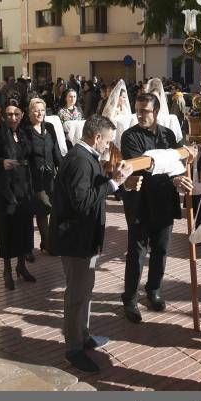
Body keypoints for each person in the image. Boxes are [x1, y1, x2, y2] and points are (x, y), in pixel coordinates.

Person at [48, 115, 133, 373]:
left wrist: (114, 180)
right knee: (76, 294)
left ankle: (83, 336)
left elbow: (92, 190)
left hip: (86, 238)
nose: (108, 146)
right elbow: (82, 202)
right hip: (76, 240)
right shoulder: (79, 161)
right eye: (107, 141)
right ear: (96, 137)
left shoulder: (87, 158)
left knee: (84, 291)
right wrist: (114, 182)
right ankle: (73, 348)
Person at [119, 93, 191, 323]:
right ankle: (130, 297)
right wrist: (172, 175)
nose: (140, 115)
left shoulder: (168, 135)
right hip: (140, 202)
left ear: (156, 112)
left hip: (164, 202)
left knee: (161, 249)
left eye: (145, 111)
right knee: (137, 252)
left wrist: (181, 173)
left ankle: (153, 289)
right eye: (138, 110)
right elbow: (142, 169)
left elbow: (178, 162)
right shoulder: (130, 137)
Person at [0, 105, 36, 290]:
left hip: (24, 188)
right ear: (3, 115)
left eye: (16, 114)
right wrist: (0, 163)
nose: (13, 117)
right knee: (7, 230)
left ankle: (21, 265)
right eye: (9, 114)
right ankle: (6, 270)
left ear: (21, 116)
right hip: (6, 190)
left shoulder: (24, 133)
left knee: (24, 228)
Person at [24, 98, 62, 256]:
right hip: (35, 177)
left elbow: (56, 151)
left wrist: (63, 168)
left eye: (42, 110)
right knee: (43, 209)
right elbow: (24, 154)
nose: (39, 113)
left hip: (50, 176)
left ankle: (47, 240)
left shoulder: (50, 127)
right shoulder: (25, 130)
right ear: (29, 112)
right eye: (36, 110)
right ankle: (48, 244)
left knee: (53, 210)